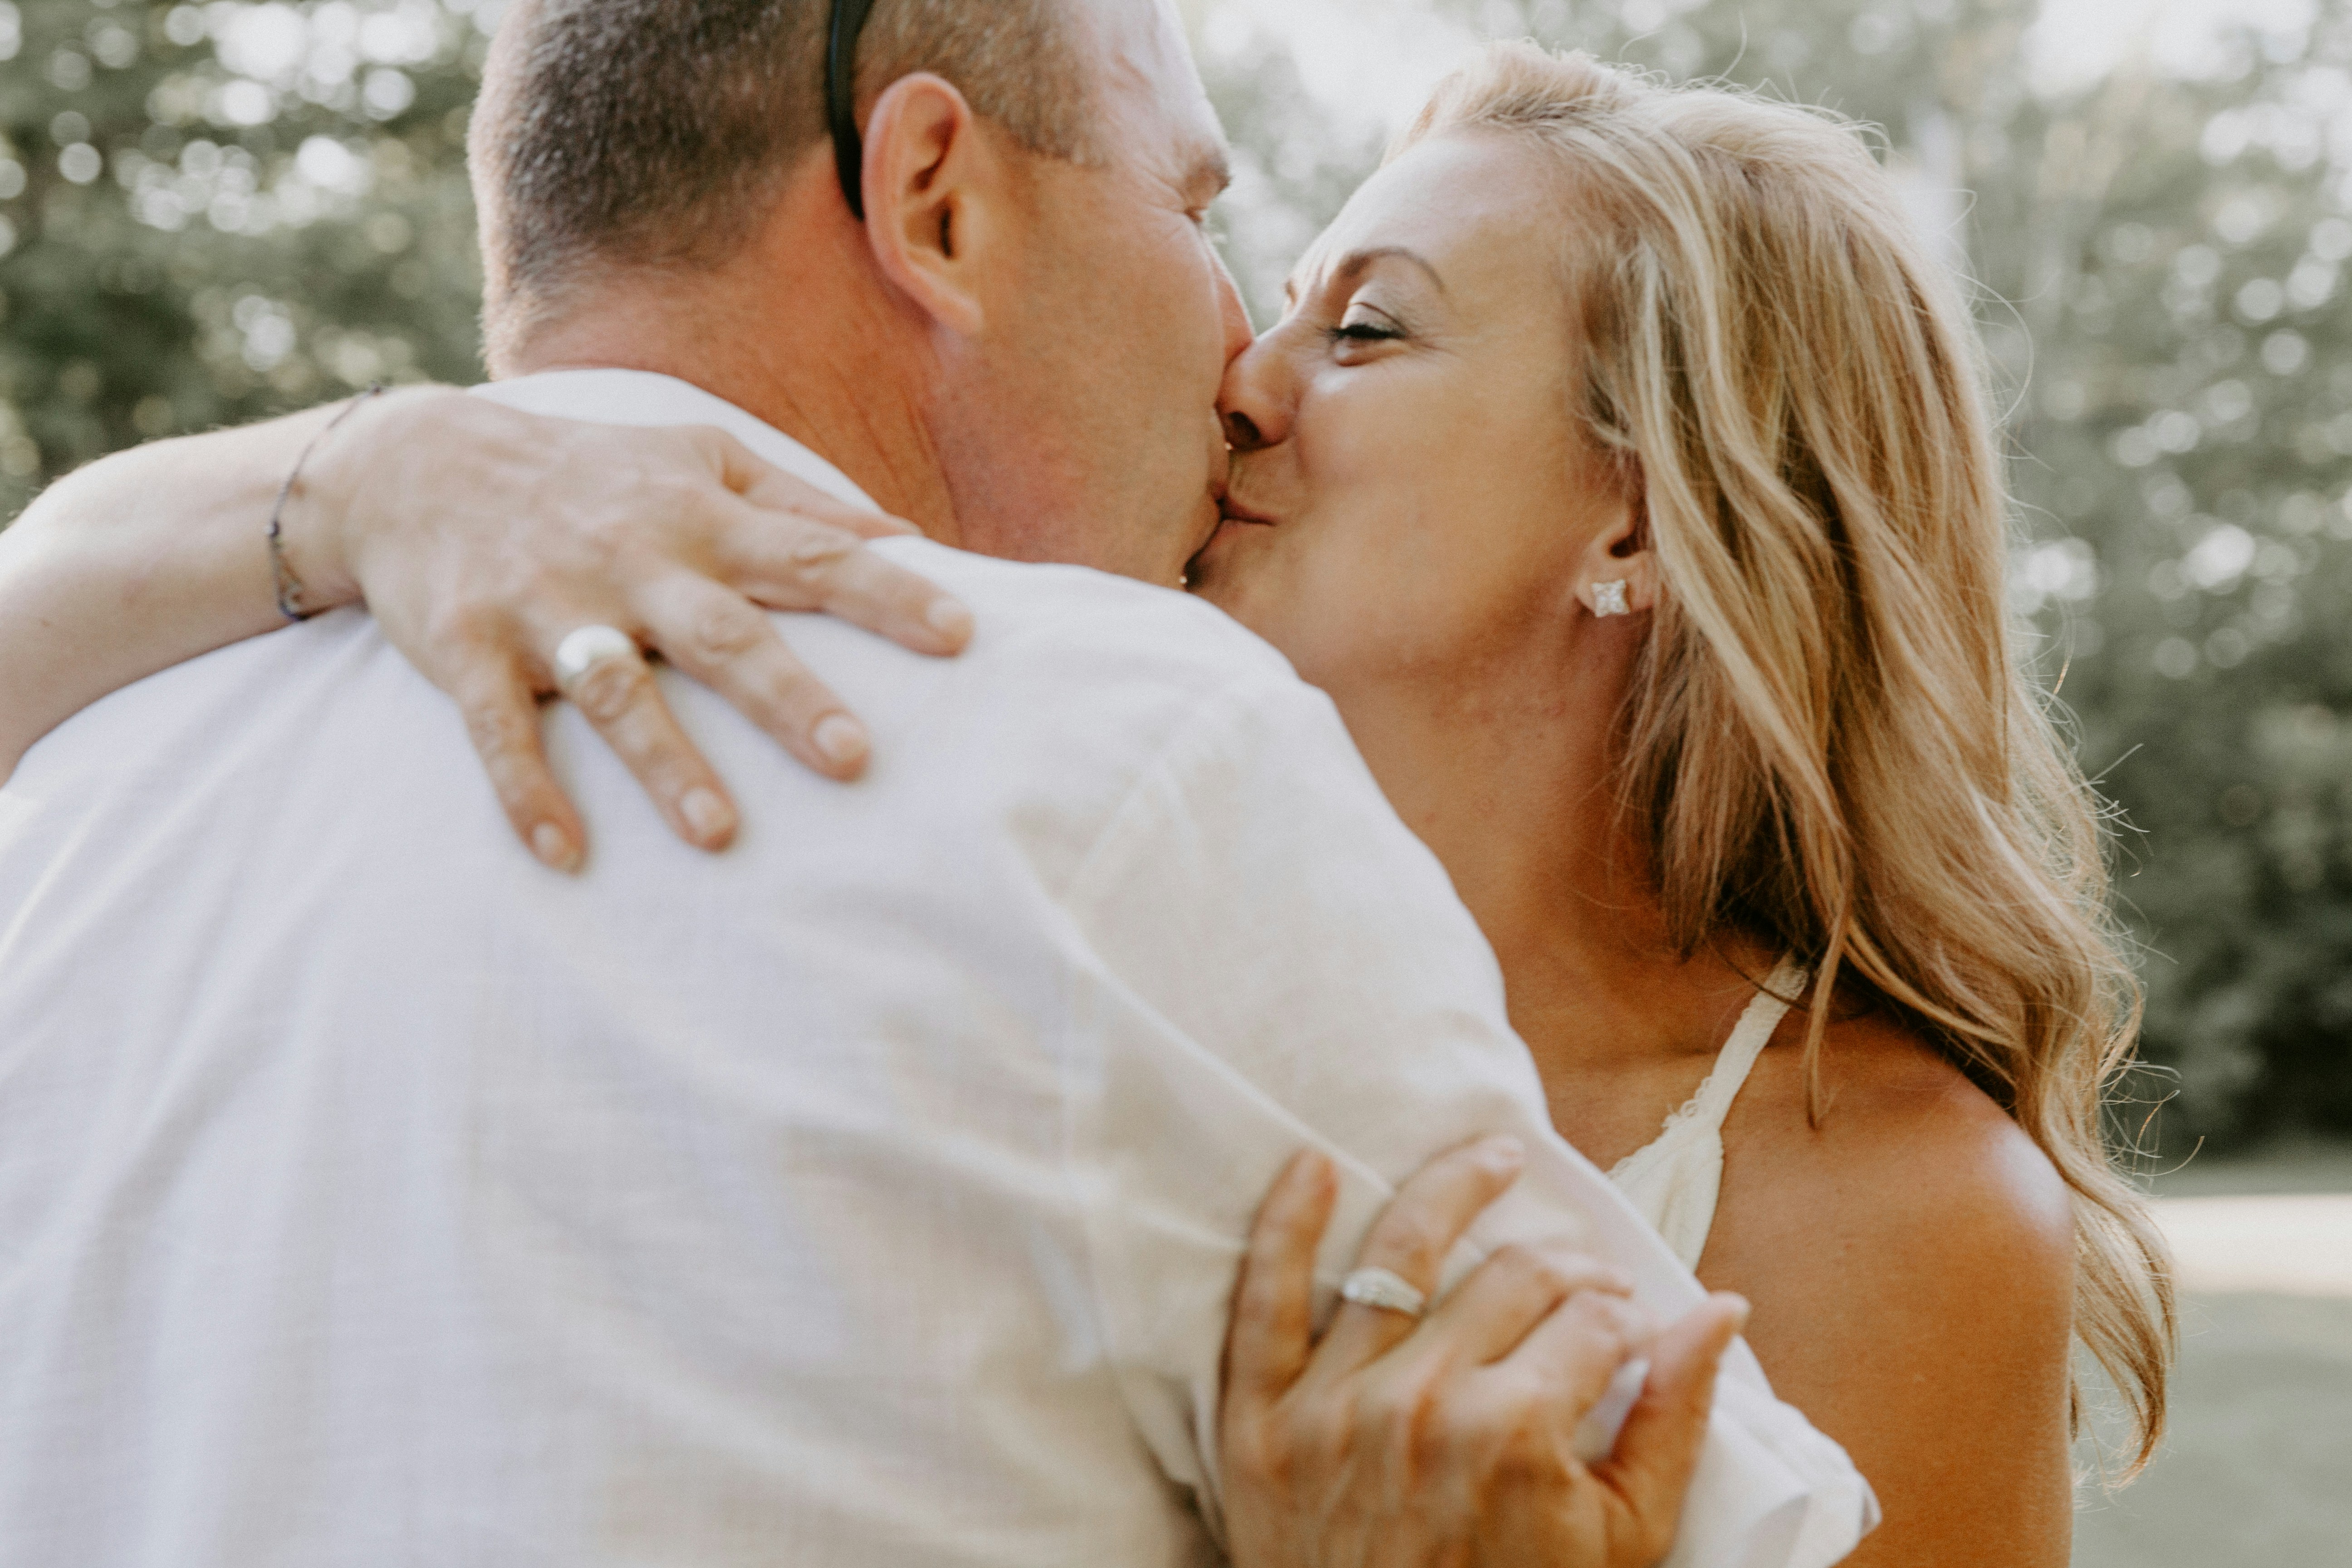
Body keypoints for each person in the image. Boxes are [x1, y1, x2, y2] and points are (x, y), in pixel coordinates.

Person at [0, 5, 1876, 1568]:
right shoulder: (1128, 753)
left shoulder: (82, 778)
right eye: (1196, 208)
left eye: (1358, 322)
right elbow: (1708, 1518)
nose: (1241, 356)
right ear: (934, 203)